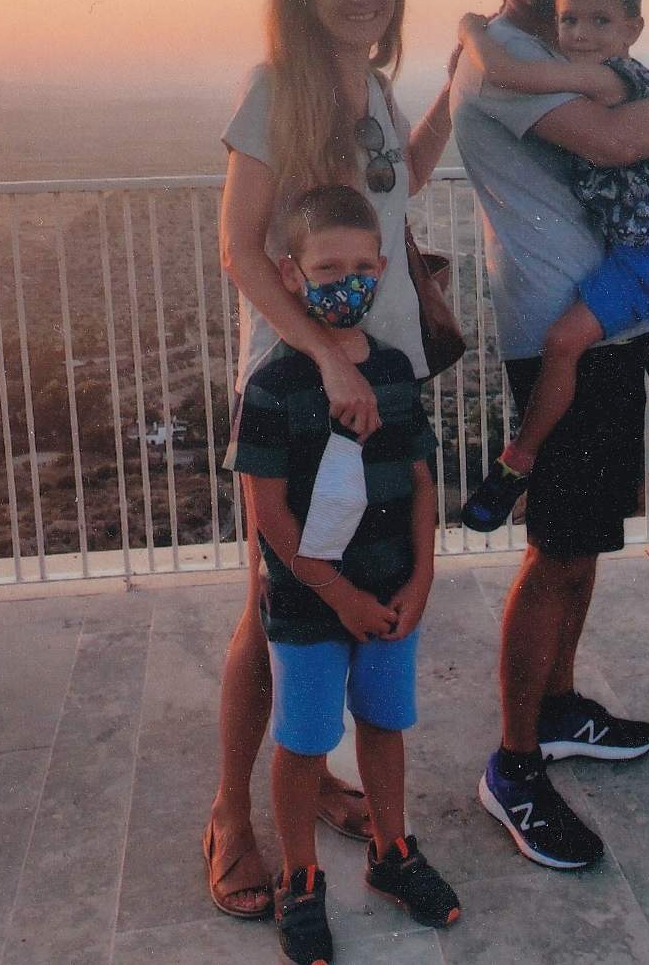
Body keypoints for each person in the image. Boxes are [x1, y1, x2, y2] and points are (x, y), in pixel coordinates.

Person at [448, 0, 649, 869]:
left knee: (583, 540)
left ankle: (555, 708)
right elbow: (610, 143)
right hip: (554, 325)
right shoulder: (507, 59)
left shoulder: (551, 48)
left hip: (604, 321)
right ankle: (513, 764)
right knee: (555, 551)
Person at [206, 0, 455, 919]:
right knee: (276, 604)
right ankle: (232, 816)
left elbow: (402, 185)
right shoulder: (276, 90)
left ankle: (312, 783)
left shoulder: (375, 89)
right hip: (303, 385)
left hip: (375, 376)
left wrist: (456, 91)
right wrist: (323, 360)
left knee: (359, 580)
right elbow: (240, 249)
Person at [224, 184, 460, 965]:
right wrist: (340, 595)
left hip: (391, 595)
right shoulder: (272, 386)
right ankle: (301, 879)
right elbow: (269, 515)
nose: (346, 282)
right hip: (308, 607)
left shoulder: (393, 370)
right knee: (303, 742)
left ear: (383, 269)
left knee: (385, 726)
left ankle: (393, 852)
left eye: (362, 268)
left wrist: (421, 580)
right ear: (291, 275)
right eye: (328, 269)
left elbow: (421, 481)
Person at [454, 0, 649, 533]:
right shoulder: (621, 74)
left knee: (564, 341)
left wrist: (469, 31)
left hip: (648, 249)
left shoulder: (605, 77)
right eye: (569, 21)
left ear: (632, 29)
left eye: (599, 21)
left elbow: (507, 73)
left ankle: (517, 461)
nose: (580, 35)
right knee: (645, 335)